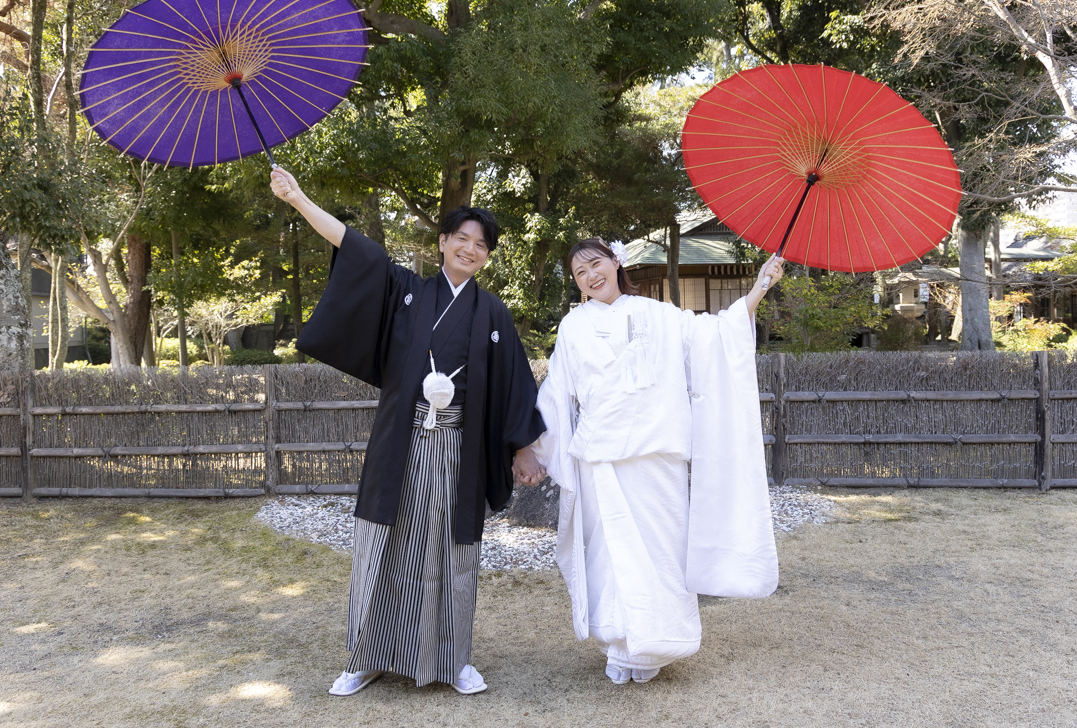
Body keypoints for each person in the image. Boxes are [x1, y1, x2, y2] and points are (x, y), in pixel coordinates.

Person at [270, 167, 547, 696]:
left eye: (480, 245)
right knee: (384, 539)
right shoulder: (407, 291)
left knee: (450, 549)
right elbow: (358, 249)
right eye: (461, 238)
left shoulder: (492, 312)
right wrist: (300, 199)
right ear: (442, 242)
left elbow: (514, 383)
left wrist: (523, 448)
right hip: (402, 439)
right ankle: (366, 656)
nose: (469, 249)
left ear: (487, 256)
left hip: (459, 448)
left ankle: (451, 659)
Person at [529, 238, 784, 684]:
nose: (590, 276)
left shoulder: (659, 314)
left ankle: (657, 643)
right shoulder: (572, 326)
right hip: (601, 455)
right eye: (579, 273)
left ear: (616, 262)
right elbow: (556, 395)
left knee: (662, 550)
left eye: (596, 264)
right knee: (610, 554)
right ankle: (618, 642)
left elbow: (715, 335)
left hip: (657, 454)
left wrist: (760, 286)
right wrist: (532, 450)